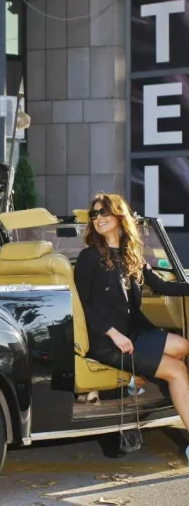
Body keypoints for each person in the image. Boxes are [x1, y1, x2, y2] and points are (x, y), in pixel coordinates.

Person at [74, 193, 189, 450]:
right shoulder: (89, 257)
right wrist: (113, 334)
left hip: (133, 332)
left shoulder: (131, 255)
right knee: (177, 370)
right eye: (94, 214)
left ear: (119, 216)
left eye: (104, 212)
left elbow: (162, 286)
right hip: (107, 341)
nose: (98, 218)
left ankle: (142, 379)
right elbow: (83, 307)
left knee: (183, 346)